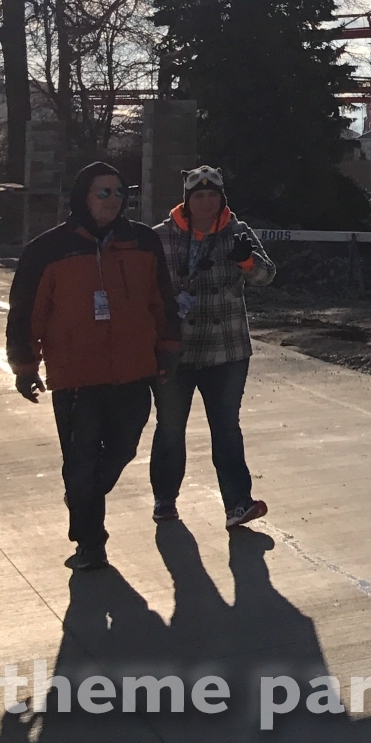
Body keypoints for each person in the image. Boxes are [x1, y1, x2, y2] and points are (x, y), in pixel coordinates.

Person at [6, 161, 181, 571]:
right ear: (83, 197)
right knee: (81, 461)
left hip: (133, 372)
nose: (112, 200)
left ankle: (81, 495)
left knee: (123, 449)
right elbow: (26, 313)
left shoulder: (142, 242)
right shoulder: (48, 249)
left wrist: (169, 348)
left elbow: (162, 299)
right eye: (103, 192)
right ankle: (90, 542)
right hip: (76, 379)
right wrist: (25, 366)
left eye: (120, 192)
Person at [149, 165, 276, 529]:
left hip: (226, 350)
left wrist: (246, 261)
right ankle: (165, 500)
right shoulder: (162, 236)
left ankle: (238, 504)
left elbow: (267, 275)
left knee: (226, 428)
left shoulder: (238, 231)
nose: (206, 202)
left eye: (213, 195)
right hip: (176, 349)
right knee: (170, 426)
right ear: (187, 201)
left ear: (222, 198)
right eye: (199, 195)